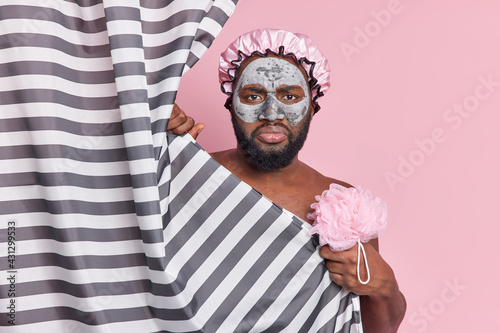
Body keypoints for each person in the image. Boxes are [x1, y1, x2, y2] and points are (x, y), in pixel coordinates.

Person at [194, 28, 406, 332]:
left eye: (289, 96)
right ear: (231, 102)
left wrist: (385, 288)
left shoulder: (342, 204)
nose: (271, 113)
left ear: (312, 107)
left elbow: (377, 328)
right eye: (253, 95)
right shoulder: (192, 172)